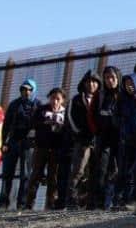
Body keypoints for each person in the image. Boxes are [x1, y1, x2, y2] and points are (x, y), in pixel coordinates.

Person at [0, 78, 38, 209]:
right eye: (23, 89)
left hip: (28, 145)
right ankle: (3, 202)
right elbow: (7, 125)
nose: (26, 92)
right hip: (13, 142)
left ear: (33, 90)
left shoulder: (37, 105)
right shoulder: (14, 104)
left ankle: (22, 203)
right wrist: (4, 142)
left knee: (25, 175)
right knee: (7, 174)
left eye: (29, 89)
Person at [25, 87, 68, 210]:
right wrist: (44, 123)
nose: (55, 101)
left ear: (62, 100)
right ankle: (29, 204)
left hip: (56, 149)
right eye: (53, 98)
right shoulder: (41, 110)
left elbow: (67, 130)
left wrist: (60, 126)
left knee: (53, 177)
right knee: (36, 175)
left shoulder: (65, 113)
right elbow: (33, 124)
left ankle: (50, 205)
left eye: (58, 99)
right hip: (41, 147)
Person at [64, 71, 101, 210]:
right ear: (84, 83)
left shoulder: (102, 99)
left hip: (97, 141)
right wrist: (78, 134)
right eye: (88, 81)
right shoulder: (76, 100)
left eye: (94, 81)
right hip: (82, 141)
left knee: (94, 172)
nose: (91, 84)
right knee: (78, 171)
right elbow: (70, 118)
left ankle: (90, 202)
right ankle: (72, 201)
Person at [90, 66, 122, 210]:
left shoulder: (123, 94)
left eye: (112, 77)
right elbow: (91, 114)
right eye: (107, 77)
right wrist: (96, 130)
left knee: (119, 170)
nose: (110, 80)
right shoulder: (100, 95)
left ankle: (117, 201)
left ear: (118, 78)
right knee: (101, 170)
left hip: (120, 139)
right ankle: (99, 202)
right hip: (103, 138)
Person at [115, 72, 136, 207]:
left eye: (131, 83)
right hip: (125, 139)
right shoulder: (122, 100)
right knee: (123, 170)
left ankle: (132, 199)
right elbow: (116, 117)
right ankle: (120, 199)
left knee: (135, 171)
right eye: (126, 84)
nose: (129, 86)